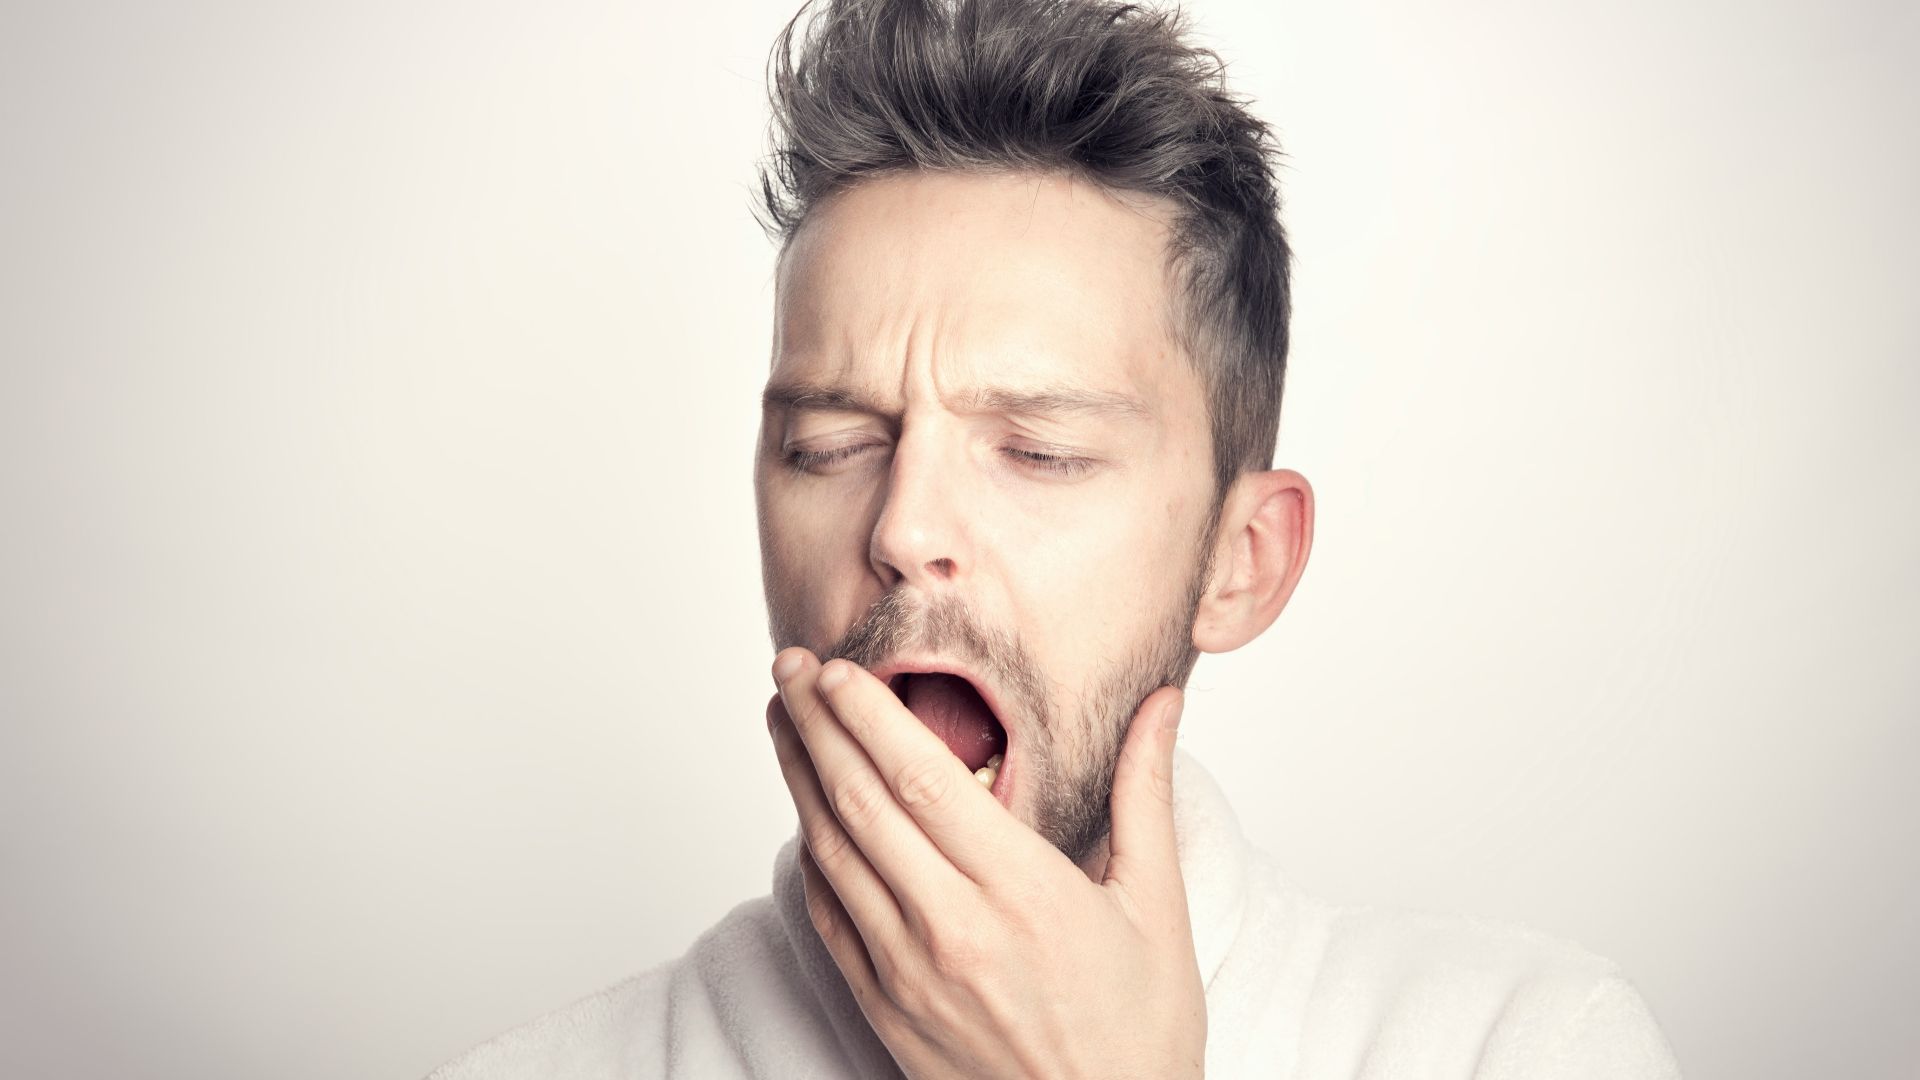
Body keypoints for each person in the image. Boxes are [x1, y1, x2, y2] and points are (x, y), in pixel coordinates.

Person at [430, 0, 1682, 1076]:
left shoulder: (1524, 1048)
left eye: (1039, 452)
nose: (905, 528)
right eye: (829, 446)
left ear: (1239, 563)